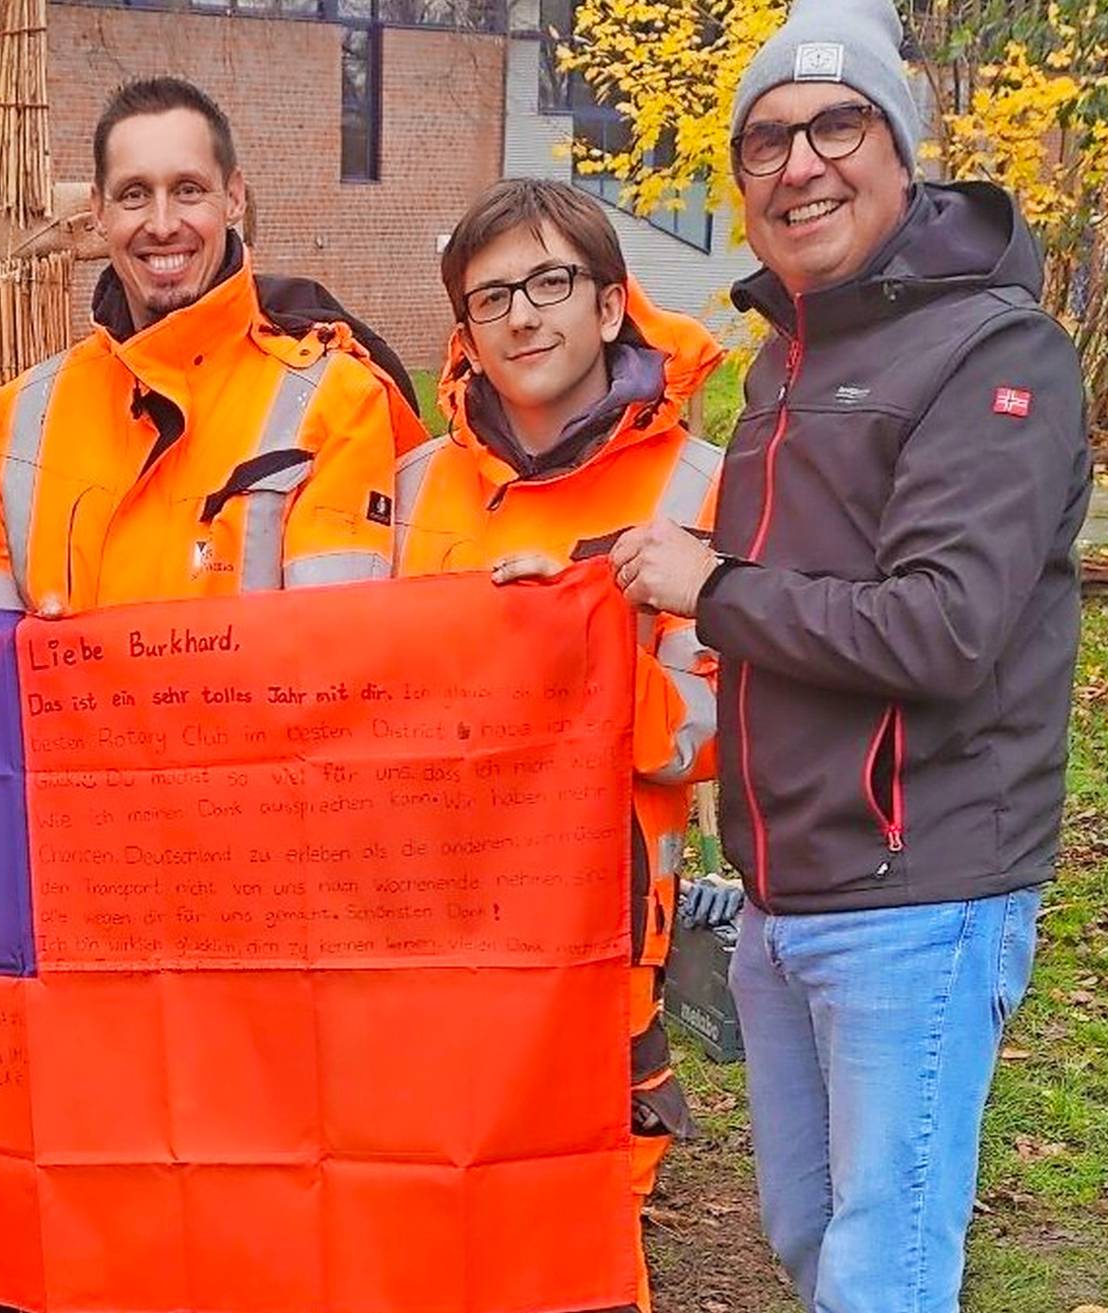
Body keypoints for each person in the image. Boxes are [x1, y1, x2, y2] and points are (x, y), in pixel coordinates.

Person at [608, 1, 1092, 1307]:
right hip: (787, 886)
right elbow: (795, 574)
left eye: (838, 125)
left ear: (903, 152)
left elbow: (940, 625)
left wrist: (712, 587)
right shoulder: (791, 361)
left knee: (881, 1265)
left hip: (919, 888)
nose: (800, 163)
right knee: (812, 1237)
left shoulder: (998, 353)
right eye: (766, 141)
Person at [396, 178, 724, 1308]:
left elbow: (711, 733)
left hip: (602, 938)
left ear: (612, 304)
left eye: (550, 283)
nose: (525, 316)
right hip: (418, 933)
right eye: (493, 297)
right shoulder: (409, 491)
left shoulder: (697, 484)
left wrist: (570, 660)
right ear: (467, 334)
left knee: (579, 1241)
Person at [0, 76, 425, 613]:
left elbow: (338, 649)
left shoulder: (338, 402)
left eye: (188, 190)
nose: (162, 223)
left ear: (234, 198)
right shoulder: (13, 422)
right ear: (98, 213)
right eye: (134, 195)